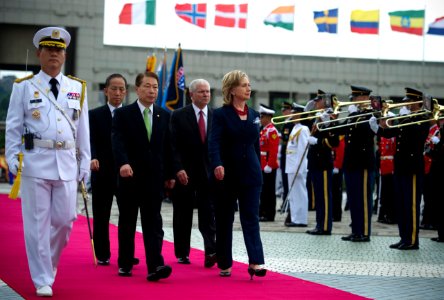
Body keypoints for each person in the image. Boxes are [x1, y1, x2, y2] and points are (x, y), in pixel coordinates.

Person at [5, 27, 90, 297]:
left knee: (65, 221)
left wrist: (85, 163)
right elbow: (13, 127)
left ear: (64, 55)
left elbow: (83, 131)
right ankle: (42, 278)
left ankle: (48, 266)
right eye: (49, 49)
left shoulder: (77, 87)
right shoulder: (25, 87)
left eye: (59, 49)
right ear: (40, 53)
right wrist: (11, 155)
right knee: (37, 223)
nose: (54, 53)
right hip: (35, 161)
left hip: (66, 162)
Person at [111, 71, 173, 281]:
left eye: (155, 87)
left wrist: (171, 173)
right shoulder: (123, 114)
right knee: (128, 221)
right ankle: (125, 263)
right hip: (130, 177)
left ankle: (155, 265)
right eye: (147, 86)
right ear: (137, 89)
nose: (152, 90)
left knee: (153, 223)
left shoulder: (164, 115)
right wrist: (123, 163)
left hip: (154, 179)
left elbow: (168, 147)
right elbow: (117, 141)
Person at [208, 70, 266, 279]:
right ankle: (224, 262)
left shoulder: (254, 115)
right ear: (232, 90)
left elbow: (256, 147)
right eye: (243, 85)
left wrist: (258, 169)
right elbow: (213, 142)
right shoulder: (221, 114)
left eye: (249, 84)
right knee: (224, 219)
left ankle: (256, 262)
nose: (248, 88)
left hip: (251, 176)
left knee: (251, 218)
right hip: (226, 175)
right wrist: (217, 164)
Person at [370, 87, 429, 250]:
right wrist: (379, 127)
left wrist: (402, 119)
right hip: (401, 166)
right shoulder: (407, 118)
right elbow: (391, 133)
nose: (406, 104)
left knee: (411, 205)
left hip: (413, 168)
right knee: (402, 204)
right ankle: (404, 237)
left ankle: (412, 240)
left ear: (416, 102)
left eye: (409, 101)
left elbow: (418, 135)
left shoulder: (423, 118)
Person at [169, 79, 217, 267]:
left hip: (209, 175)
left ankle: (211, 251)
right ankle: (182, 252)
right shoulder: (179, 115)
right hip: (185, 174)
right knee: (182, 214)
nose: (206, 94)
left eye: (208, 91)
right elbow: (172, 145)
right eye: (201, 92)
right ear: (191, 94)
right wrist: (177, 168)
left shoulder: (215, 116)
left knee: (208, 215)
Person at [89, 74, 134, 266]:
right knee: (101, 215)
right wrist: (92, 157)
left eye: (121, 89)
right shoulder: (94, 115)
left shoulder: (132, 115)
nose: (118, 93)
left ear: (126, 91)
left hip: (126, 173)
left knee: (128, 216)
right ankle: (103, 254)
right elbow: (89, 140)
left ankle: (126, 254)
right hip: (102, 171)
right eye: (113, 89)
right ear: (105, 90)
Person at [340, 86, 376, 242]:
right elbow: (345, 131)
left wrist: (353, 114)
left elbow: (364, 131)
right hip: (352, 163)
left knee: (364, 199)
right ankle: (356, 230)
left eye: (356, 97)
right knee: (354, 199)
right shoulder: (354, 114)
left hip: (363, 163)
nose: (353, 100)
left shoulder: (371, 114)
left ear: (364, 98)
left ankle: (365, 232)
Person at [305, 92, 339, 235]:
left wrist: (317, 141)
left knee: (324, 196)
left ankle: (325, 226)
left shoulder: (330, 117)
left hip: (323, 162)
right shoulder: (318, 116)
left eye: (317, 101)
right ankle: (320, 224)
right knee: (319, 196)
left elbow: (334, 142)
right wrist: (306, 111)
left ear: (324, 102)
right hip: (315, 162)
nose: (315, 103)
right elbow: (304, 123)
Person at [284, 103, 310, 227]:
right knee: (293, 194)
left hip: (297, 167)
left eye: (295, 113)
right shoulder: (295, 128)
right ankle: (295, 218)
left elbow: (303, 150)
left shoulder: (303, 129)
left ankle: (301, 219)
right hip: (291, 166)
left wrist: (300, 168)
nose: (292, 115)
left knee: (300, 192)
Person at [258, 104, 280, 222]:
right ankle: (262, 212)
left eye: (262, 117)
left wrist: (270, 165)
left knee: (269, 191)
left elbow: (273, 150)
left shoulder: (272, 131)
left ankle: (269, 214)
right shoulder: (264, 130)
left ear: (268, 117)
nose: (261, 120)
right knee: (263, 191)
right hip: (263, 164)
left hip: (268, 166)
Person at [278, 101, 295, 211]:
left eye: (285, 110)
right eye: (283, 110)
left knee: (288, 181)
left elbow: (288, 139)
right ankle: (285, 202)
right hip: (285, 155)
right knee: (285, 181)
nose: (283, 112)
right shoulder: (287, 122)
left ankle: (288, 204)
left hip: (289, 156)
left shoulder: (291, 123)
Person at [331, 134, 345, 222]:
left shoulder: (341, 138)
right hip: (333, 167)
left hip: (337, 168)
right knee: (333, 192)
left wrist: (336, 165)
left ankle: (336, 215)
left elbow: (340, 153)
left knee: (336, 192)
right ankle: (334, 213)